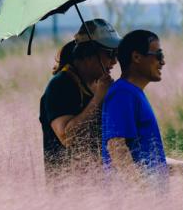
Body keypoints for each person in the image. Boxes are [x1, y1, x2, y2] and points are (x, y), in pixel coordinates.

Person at [101, 29, 183, 184]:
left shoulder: (133, 93)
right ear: (136, 57)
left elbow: (155, 162)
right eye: (158, 56)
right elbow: (116, 148)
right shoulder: (122, 94)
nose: (162, 62)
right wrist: (141, 193)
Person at [39, 19, 121, 182]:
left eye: (117, 54)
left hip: (100, 187)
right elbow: (66, 137)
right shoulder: (60, 86)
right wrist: (98, 98)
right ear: (89, 54)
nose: (114, 61)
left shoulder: (97, 83)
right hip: (69, 193)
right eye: (109, 54)